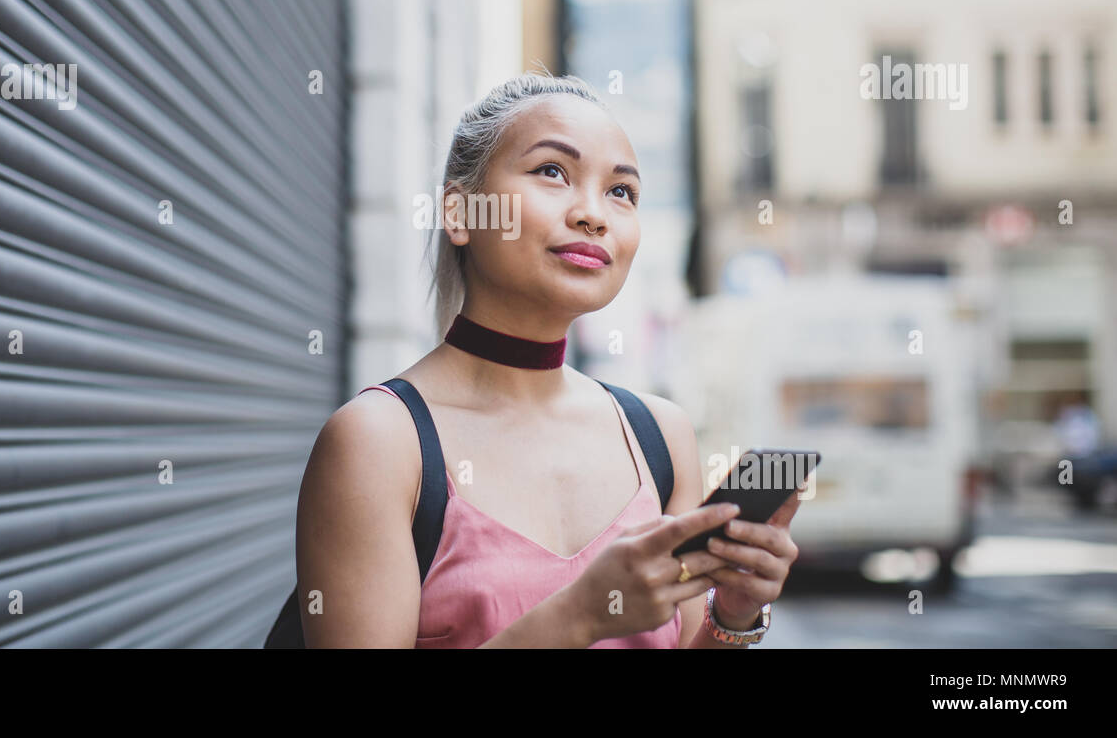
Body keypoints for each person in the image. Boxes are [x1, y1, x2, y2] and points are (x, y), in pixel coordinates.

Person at [295, 73, 804, 648]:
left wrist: (733, 614)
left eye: (622, 192)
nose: (594, 214)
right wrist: (580, 615)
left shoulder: (661, 437)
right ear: (461, 214)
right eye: (552, 172)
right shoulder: (379, 442)